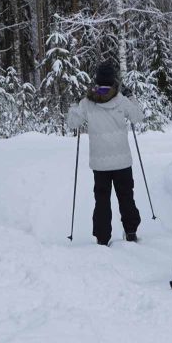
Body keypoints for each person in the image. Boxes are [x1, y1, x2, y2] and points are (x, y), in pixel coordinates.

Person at [66, 61, 145, 246]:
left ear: (97, 80)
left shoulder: (87, 102)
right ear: (113, 80)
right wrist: (131, 98)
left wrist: (73, 106)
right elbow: (137, 117)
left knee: (102, 199)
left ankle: (102, 237)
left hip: (100, 163)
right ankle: (131, 231)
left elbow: (72, 123)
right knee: (126, 196)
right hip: (122, 161)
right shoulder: (120, 99)